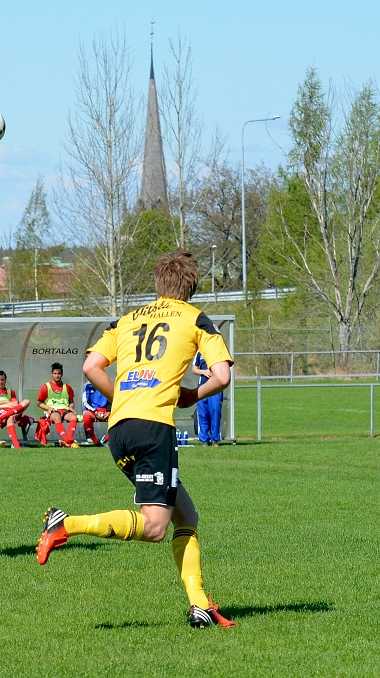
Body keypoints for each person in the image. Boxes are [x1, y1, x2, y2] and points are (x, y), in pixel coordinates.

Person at [37, 250, 236, 629]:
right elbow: (222, 375)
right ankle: (66, 524)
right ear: (190, 288)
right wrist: (193, 395)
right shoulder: (195, 318)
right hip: (153, 429)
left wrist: (121, 399)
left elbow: (90, 366)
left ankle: (199, 605)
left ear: (159, 284)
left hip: (120, 429)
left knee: (186, 515)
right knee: (156, 526)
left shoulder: (127, 319)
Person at [0, 370, 34, 449]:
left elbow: (15, 404)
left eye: (2, 380)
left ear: (5, 380)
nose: (1, 382)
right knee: (10, 418)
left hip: (10, 412)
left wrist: (0, 403)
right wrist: (7, 402)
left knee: (26, 401)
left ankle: (15, 445)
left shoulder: (10, 391)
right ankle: (16, 445)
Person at [36, 362, 79, 448]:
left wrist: (71, 407)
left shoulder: (67, 387)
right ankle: (66, 440)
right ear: (52, 374)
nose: (57, 376)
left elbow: (71, 401)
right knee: (56, 417)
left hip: (65, 410)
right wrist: (48, 408)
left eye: (59, 373)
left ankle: (69, 438)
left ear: (62, 374)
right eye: (55, 373)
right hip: (53, 411)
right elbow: (39, 403)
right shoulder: (46, 387)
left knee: (73, 417)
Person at [192, 351, 223, 446]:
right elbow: (194, 369)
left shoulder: (218, 351)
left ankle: (215, 439)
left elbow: (224, 369)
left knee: (215, 412)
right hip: (202, 388)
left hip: (216, 388)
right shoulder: (199, 353)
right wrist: (203, 372)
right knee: (202, 414)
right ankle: (204, 440)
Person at [82, 380, 110, 445]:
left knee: (119, 419)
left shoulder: (106, 384)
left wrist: (109, 411)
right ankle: (95, 441)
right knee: (86, 418)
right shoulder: (87, 385)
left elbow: (110, 399)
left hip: (104, 410)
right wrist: (95, 411)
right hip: (92, 410)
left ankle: (106, 439)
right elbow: (85, 402)